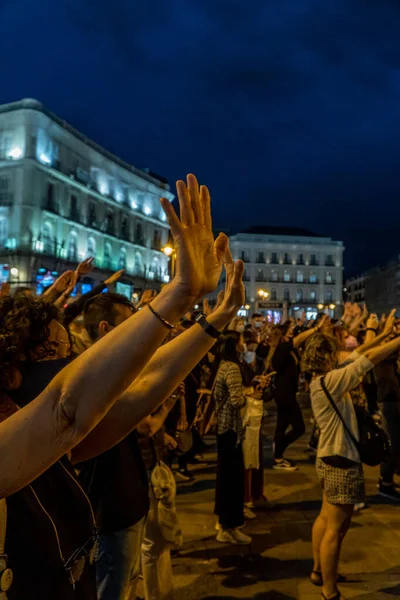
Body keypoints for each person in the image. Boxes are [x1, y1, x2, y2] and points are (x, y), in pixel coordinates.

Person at [0, 173, 245, 599]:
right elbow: (65, 406)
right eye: (51, 357)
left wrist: (214, 319)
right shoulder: (17, 444)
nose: (65, 365)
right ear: (10, 374)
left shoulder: (52, 452)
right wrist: (178, 294)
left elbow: (140, 387)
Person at [302, 312, 400, 600]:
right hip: (340, 459)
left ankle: (319, 571)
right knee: (337, 528)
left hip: (327, 457)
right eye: (334, 351)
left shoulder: (320, 381)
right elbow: (368, 361)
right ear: (326, 356)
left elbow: (361, 354)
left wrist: (377, 330)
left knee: (323, 518)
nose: (340, 353)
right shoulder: (331, 381)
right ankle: (329, 590)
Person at [269, 319, 327, 471]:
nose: (292, 330)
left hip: (288, 392)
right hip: (284, 393)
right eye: (289, 329)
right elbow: (298, 339)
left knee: (281, 425)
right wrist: (316, 328)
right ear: (282, 334)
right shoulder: (282, 348)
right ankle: (278, 451)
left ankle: (278, 456)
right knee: (299, 427)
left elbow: (301, 339)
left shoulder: (290, 350)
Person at [214, 331, 252, 545]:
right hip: (230, 429)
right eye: (240, 341)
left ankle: (225, 523)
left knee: (225, 478)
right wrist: (250, 392)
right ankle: (230, 526)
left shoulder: (222, 366)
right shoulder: (232, 367)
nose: (243, 344)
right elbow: (236, 400)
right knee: (232, 480)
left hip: (223, 427)